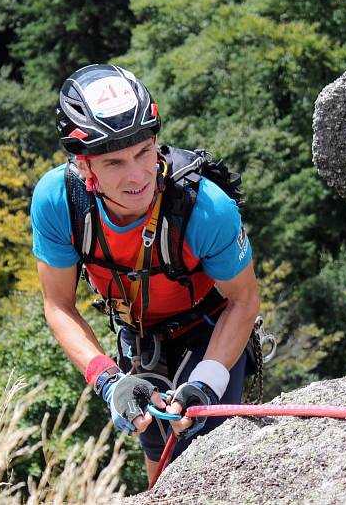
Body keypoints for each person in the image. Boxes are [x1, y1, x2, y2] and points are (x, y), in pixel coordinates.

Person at [30, 64, 260, 483]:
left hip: (209, 327)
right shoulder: (59, 201)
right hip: (139, 336)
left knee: (207, 455)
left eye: (143, 152)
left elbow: (244, 301)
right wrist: (107, 379)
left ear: (156, 142)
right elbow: (58, 305)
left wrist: (206, 382)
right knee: (159, 457)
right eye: (114, 162)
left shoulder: (204, 208)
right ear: (84, 167)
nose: (137, 176)